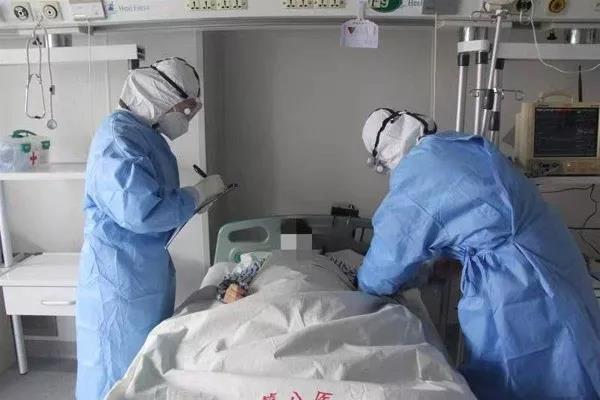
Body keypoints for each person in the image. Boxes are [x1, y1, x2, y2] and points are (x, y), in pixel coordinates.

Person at [357, 108, 600, 400]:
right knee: (580, 346)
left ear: (383, 157)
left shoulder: (416, 177)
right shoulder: (455, 144)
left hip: (519, 282)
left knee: (532, 374)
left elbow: (383, 269)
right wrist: (449, 260)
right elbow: (478, 215)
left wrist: (359, 282)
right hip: (553, 250)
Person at [76, 57, 225, 400]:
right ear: (159, 99)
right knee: (115, 375)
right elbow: (141, 212)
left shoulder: (144, 137)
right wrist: (194, 196)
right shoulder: (119, 140)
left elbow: (152, 203)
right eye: (185, 110)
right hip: (117, 281)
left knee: (142, 370)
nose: (187, 119)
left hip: (141, 272)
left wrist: (193, 204)